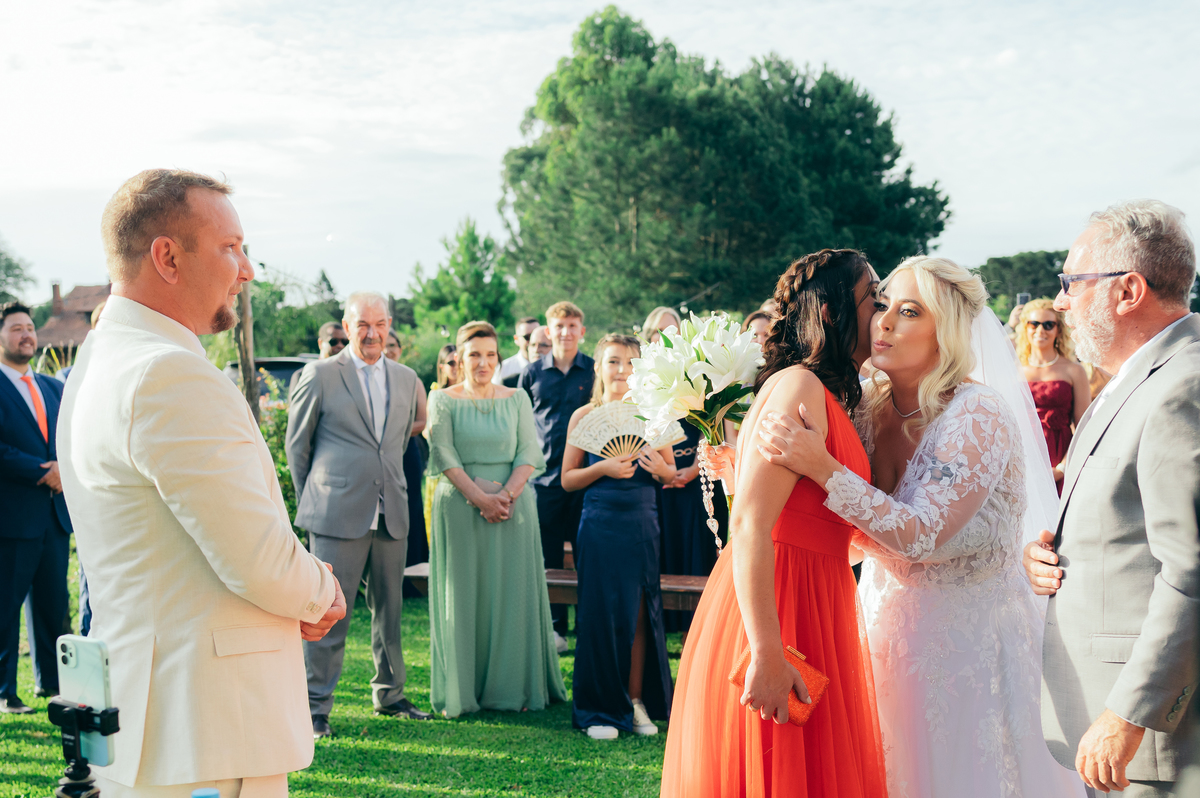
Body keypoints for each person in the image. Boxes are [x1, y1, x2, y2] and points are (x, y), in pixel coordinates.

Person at [59, 168, 345, 797]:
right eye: (230, 247)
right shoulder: (166, 374)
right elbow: (257, 558)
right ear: (166, 257)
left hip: (155, 714)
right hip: (208, 728)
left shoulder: (98, 362)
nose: (247, 270)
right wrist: (323, 591)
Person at [757, 256, 1085, 797]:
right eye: (882, 305)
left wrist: (821, 467)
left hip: (969, 651)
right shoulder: (867, 409)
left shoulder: (978, 414)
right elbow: (858, 534)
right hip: (877, 631)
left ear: (946, 334)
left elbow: (921, 536)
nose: (883, 322)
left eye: (909, 312)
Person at [661, 249, 888, 797]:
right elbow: (750, 523)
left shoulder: (830, 394)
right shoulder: (799, 386)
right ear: (832, 312)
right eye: (872, 298)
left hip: (820, 593)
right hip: (780, 603)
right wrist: (765, 648)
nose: (883, 311)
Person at [1024, 200, 1200, 798]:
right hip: (1113, 724)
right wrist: (1052, 554)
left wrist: (1129, 714)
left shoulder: (1183, 386)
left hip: (1152, 736)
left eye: (1072, 281)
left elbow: (1192, 569)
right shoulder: (1127, 381)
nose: (1064, 302)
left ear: (1129, 290)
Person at [286, 291, 429, 740]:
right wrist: (315, 498)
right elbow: (297, 446)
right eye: (362, 324)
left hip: (390, 512)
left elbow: (402, 439)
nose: (372, 333)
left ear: (389, 326)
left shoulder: (407, 379)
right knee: (328, 612)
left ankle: (390, 693)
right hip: (335, 512)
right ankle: (314, 708)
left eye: (380, 324)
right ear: (346, 327)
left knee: (389, 611)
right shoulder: (320, 375)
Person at [425, 321, 567, 718]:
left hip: (513, 509)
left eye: (490, 355)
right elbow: (444, 456)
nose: (483, 362)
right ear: (459, 358)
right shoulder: (442, 400)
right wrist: (480, 499)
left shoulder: (517, 397)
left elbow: (529, 452)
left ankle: (511, 688)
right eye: (474, 355)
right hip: (460, 507)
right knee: (464, 596)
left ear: (499, 358)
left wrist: (503, 497)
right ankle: (464, 690)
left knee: (511, 595)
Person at [562, 334, 678, 740]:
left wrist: (659, 468)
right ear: (598, 367)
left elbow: (670, 473)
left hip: (642, 522)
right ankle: (598, 708)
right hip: (599, 522)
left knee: (640, 613)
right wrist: (603, 469)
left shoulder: (651, 414)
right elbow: (567, 479)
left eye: (631, 363)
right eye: (613, 362)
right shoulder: (584, 416)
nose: (622, 371)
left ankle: (634, 703)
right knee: (599, 614)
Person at [0, 302, 72, 713]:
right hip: (12, 515)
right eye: (16, 329)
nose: (26, 334)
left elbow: (73, 437)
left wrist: (66, 468)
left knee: (53, 603)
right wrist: (39, 471)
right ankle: (5, 692)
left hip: (53, 516)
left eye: (30, 327)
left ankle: (54, 684)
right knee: (5, 605)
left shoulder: (53, 387)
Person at [519, 301, 594, 650]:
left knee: (586, 553)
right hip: (543, 480)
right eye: (558, 326)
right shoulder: (532, 373)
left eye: (572, 325)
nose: (565, 332)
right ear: (548, 332)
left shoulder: (594, 371)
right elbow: (521, 425)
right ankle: (555, 629)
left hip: (585, 477)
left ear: (582, 330)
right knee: (547, 557)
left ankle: (587, 625)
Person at [1016, 298, 1091, 492]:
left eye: (1048, 325)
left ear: (1058, 329)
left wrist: (1062, 468)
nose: (1040, 330)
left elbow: (1084, 427)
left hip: (1059, 458)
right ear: (1025, 328)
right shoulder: (1012, 370)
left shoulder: (1074, 370)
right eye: (1034, 324)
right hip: (1021, 457)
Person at [384, 330, 430, 590]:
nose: (389, 350)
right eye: (385, 345)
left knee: (410, 507)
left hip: (407, 451)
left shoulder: (411, 379)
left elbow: (422, 420)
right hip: (378, 454)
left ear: (400, 350)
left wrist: (393, 431)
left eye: (393, 345)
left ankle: (413, 576)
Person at [288, 321, 348, 397]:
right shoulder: (301, 375)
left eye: (344, 342)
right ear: (320, 343)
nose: (340, 345)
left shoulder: (348, 375)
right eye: (333, 341)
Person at [493, 316, 541, 387]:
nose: (532, 341)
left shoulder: (553, 366)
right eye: (527, 337)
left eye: (537, 336)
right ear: (516, 339)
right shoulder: (503, 370)